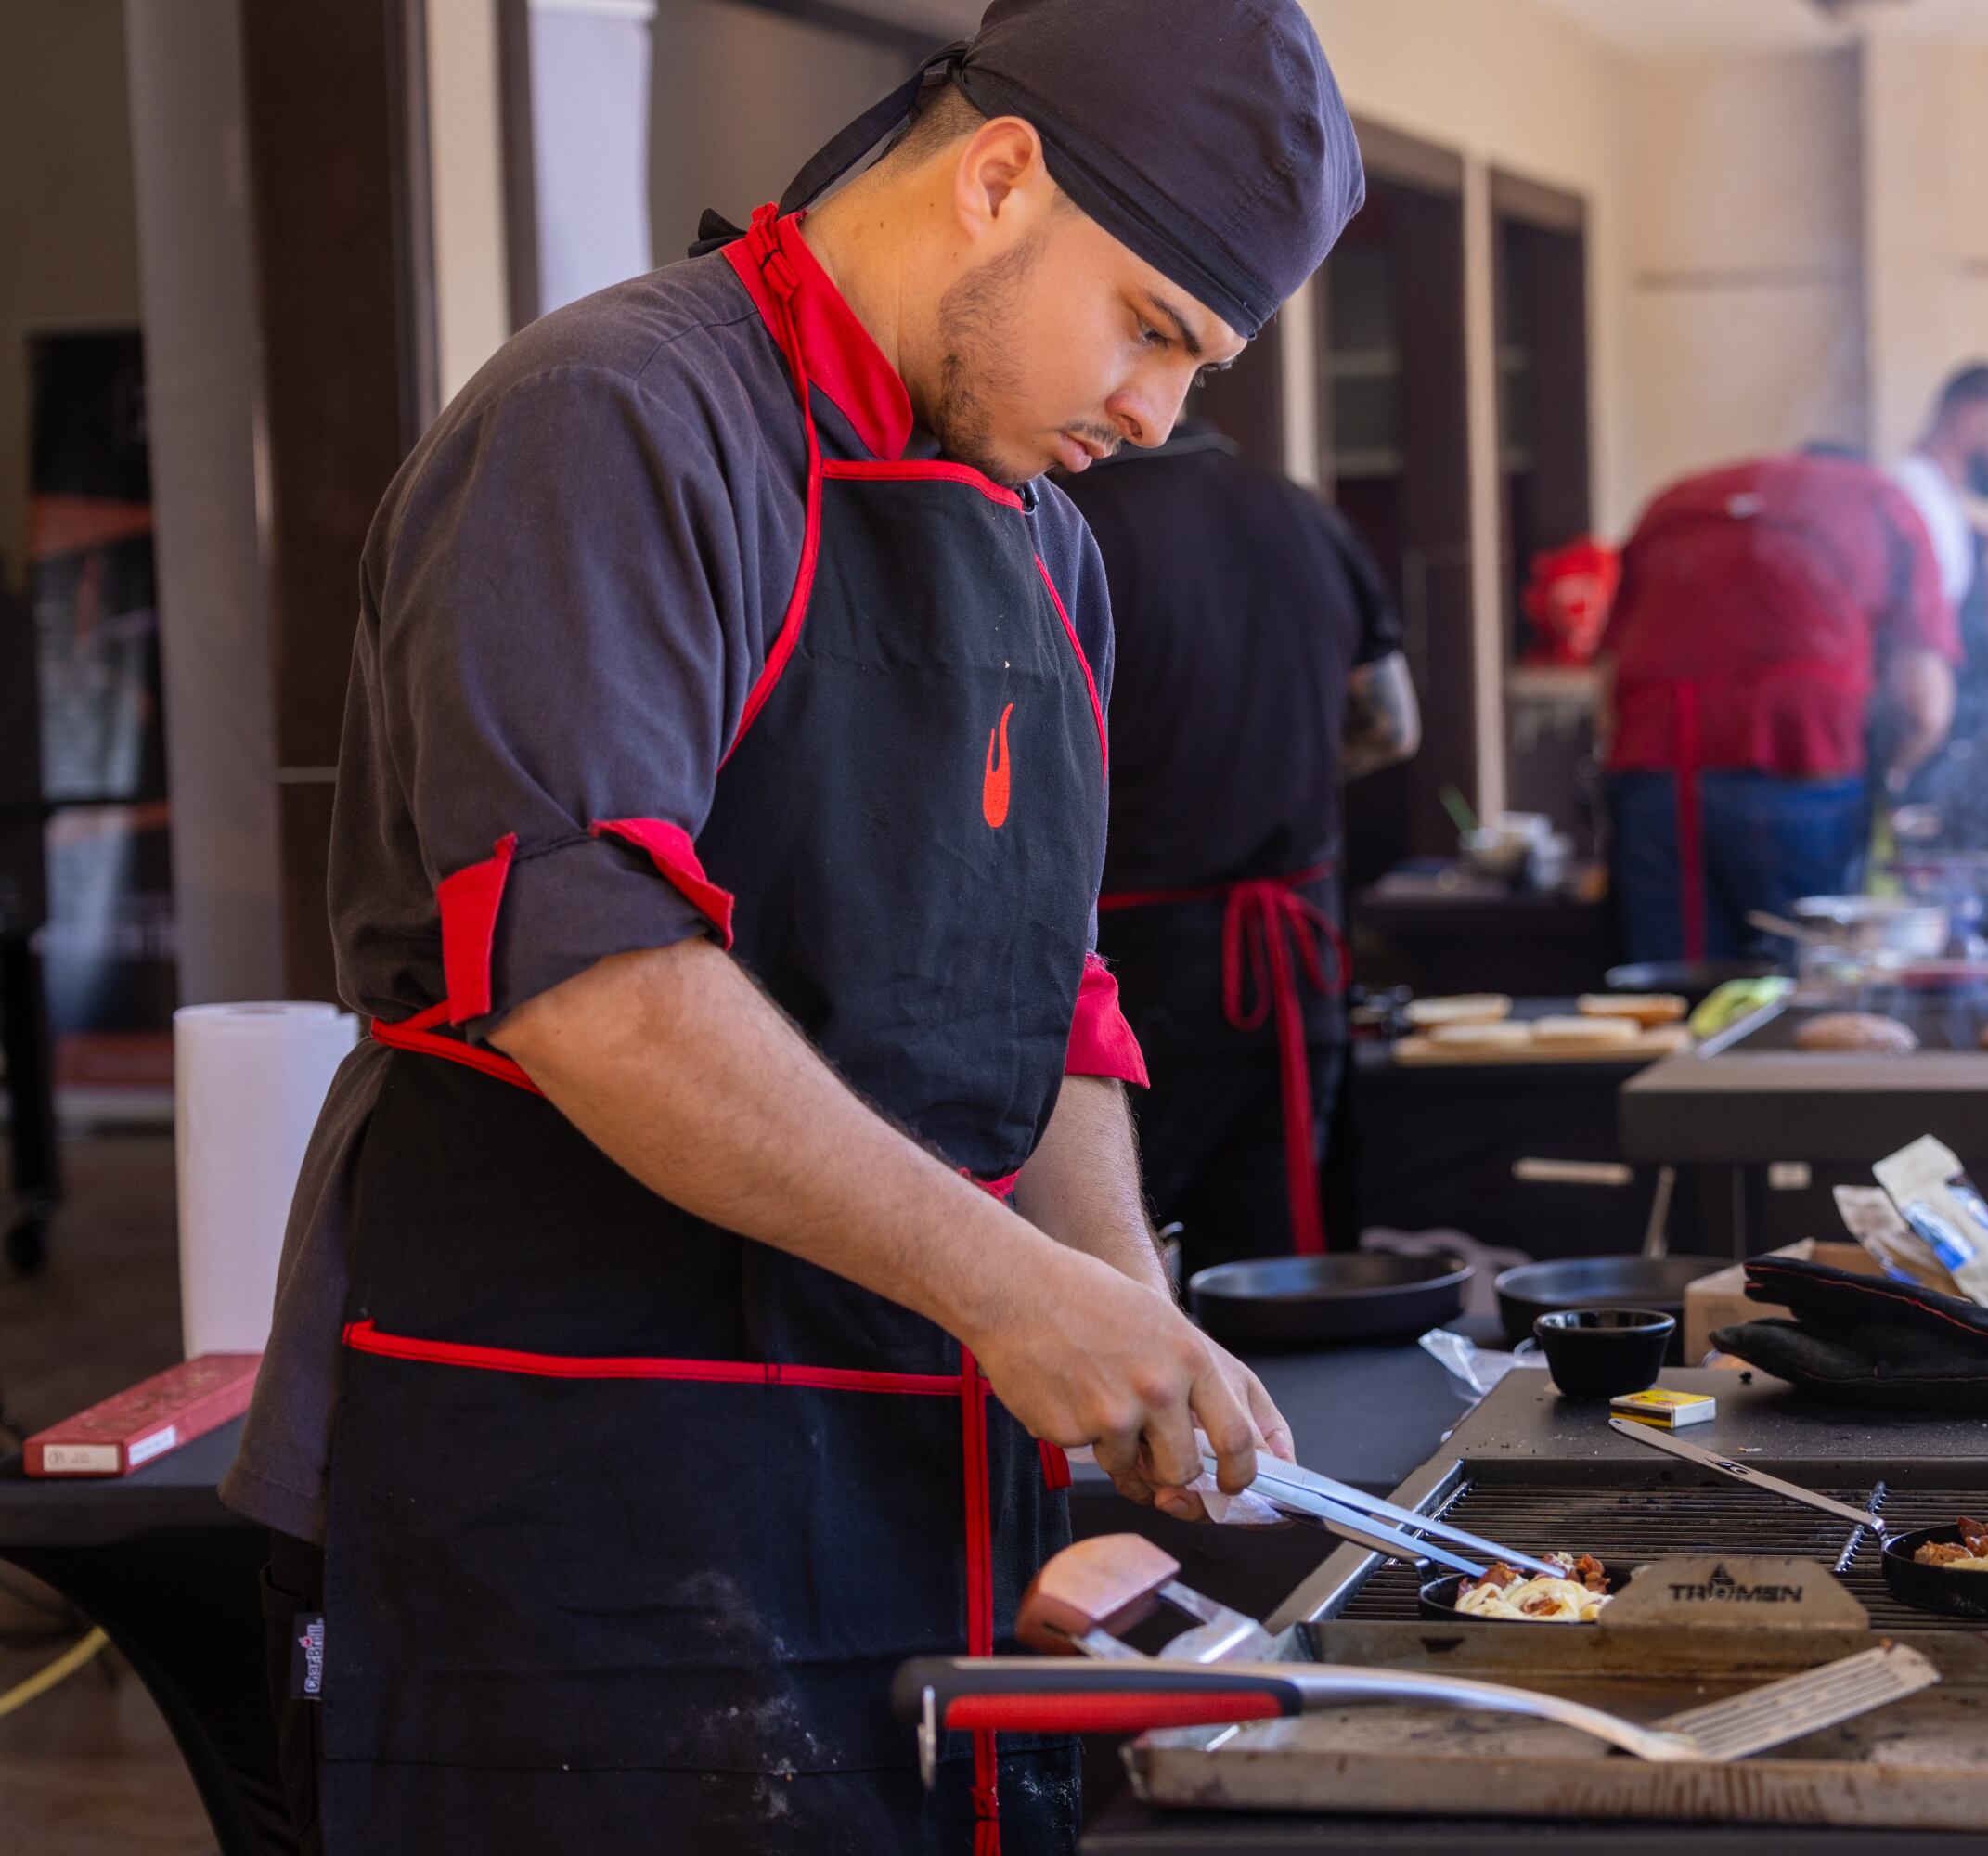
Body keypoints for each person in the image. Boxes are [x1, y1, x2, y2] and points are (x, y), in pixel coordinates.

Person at [217, 4, 1363, 1850]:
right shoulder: (616, 419)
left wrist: (1127, 1324)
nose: (1160, 413)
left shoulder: (1050, 545)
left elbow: (1046, 995)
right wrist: (1009, 1290)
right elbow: (595, 989)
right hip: (571, 1484)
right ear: (1001, 178)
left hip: (899, 1468)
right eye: (1153, 326)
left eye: (1200, 365)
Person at [1065, 419, 1417, 1273]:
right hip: (1294, 969)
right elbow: (1393, 726)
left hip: (1129, 975)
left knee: (1122, 1268)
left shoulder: (1065, 520)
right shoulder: (1304, 514)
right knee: (1267, 1271)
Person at [1601, 452, 1956, 965]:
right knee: (1802, 1001)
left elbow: (1608, 686)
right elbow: (1923, 707)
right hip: (1803, 775)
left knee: (1671, 1002)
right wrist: (1894, 779)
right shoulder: (1886, 503)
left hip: (1655, 786)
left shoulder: (1674, 503)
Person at [1891, 362, 1988, 746]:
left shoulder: (1938, 498)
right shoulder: (1917, 501)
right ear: (1972, 421)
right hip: (1943, 756)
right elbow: (1916, 660)